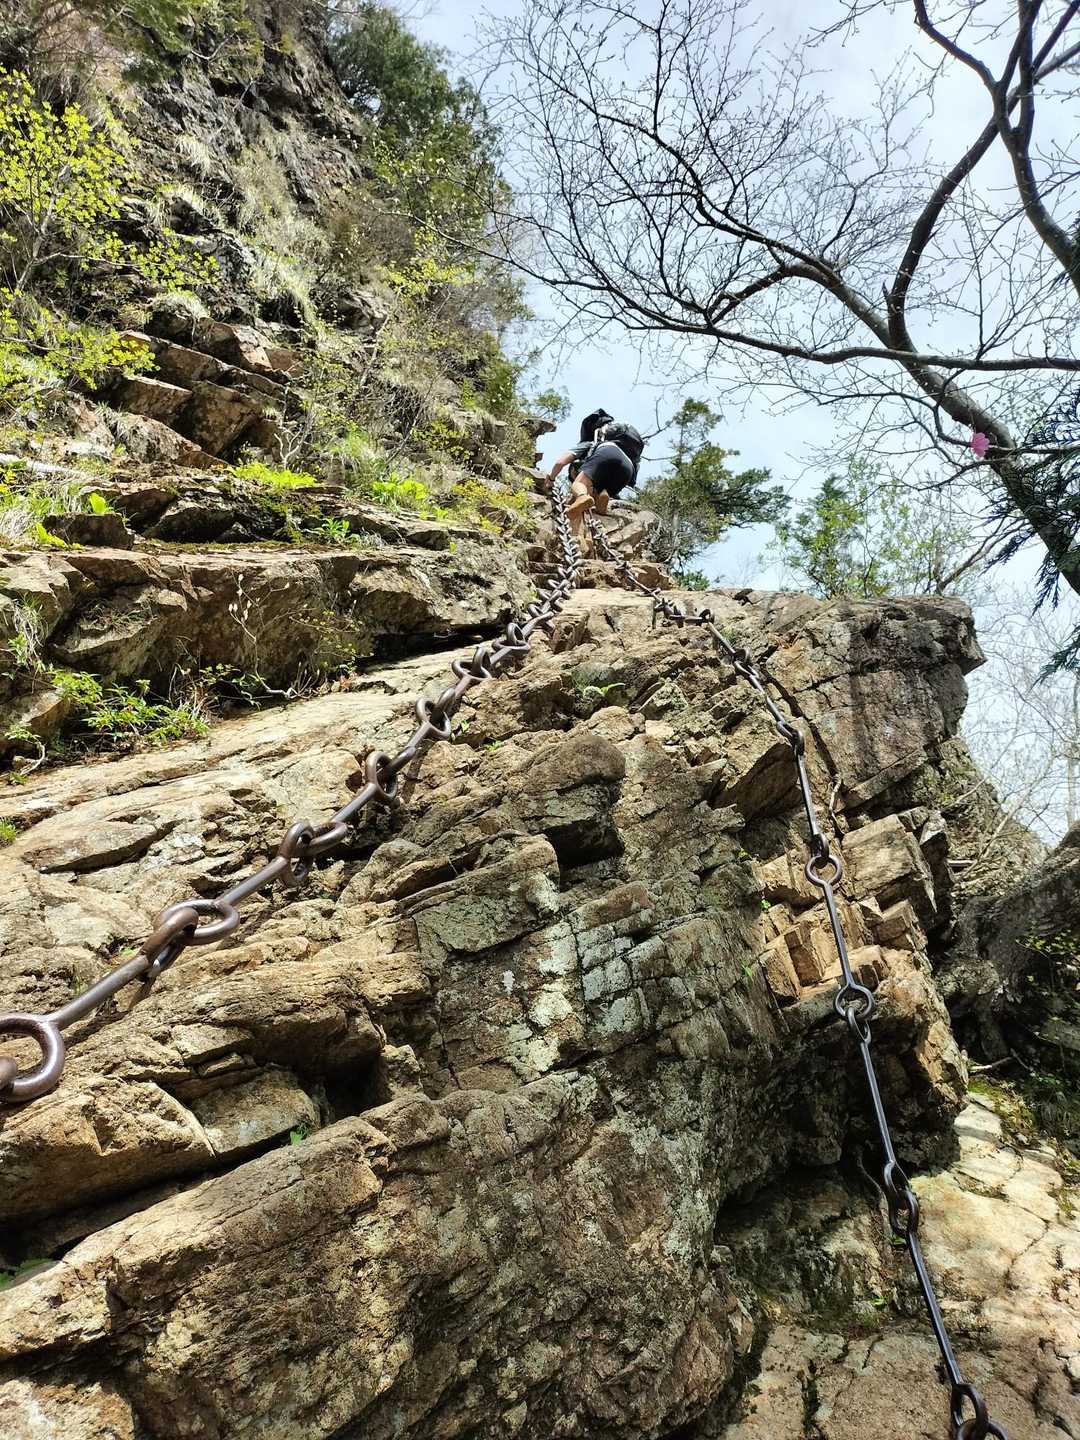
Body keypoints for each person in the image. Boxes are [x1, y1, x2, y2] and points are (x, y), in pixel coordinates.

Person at [548, 409, 644, 550]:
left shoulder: (589, 443)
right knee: (600, 489)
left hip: (608, 452)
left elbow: (560, 462)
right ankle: (602, 496)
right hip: (628, 469)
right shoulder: (626, 448)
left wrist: (551, 478)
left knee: (580, 483)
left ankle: (582, 496)